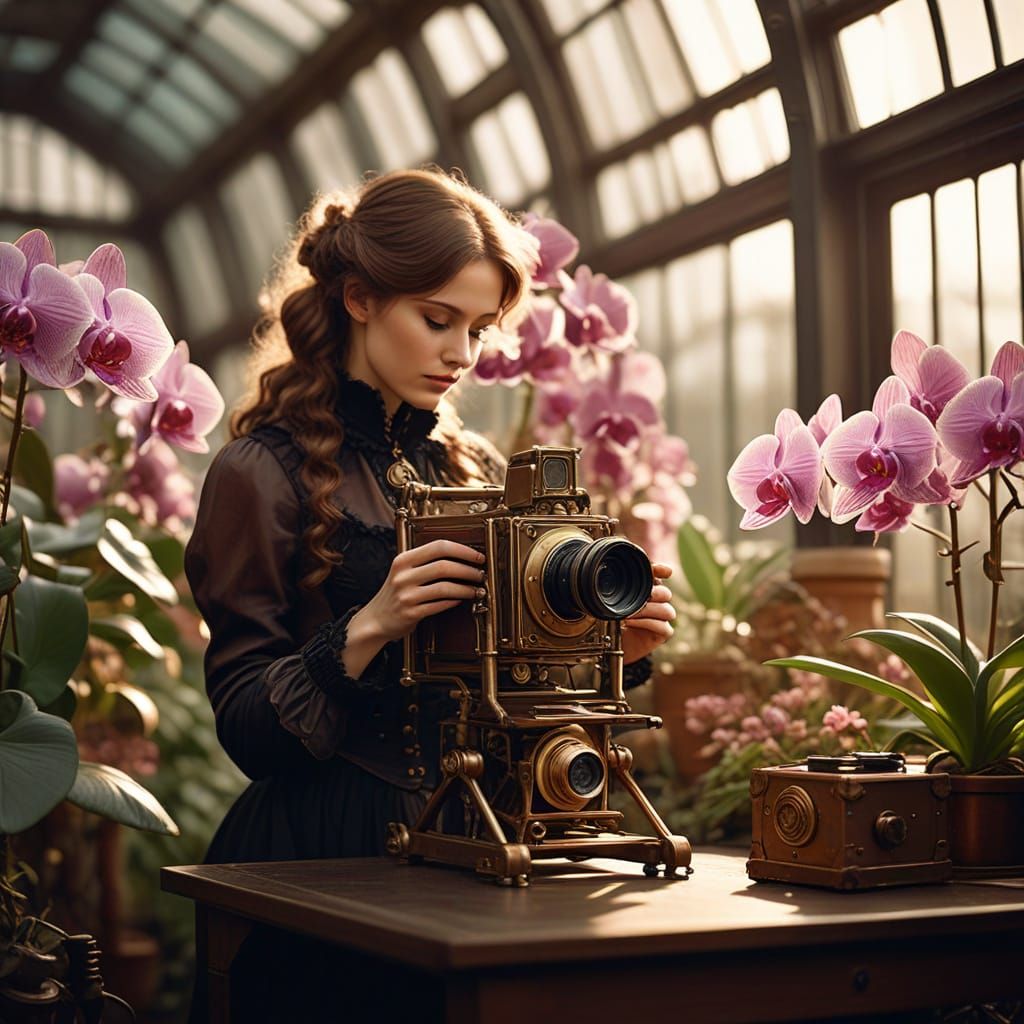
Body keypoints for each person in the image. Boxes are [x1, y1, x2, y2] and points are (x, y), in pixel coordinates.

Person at [183, 167, 677, 1020]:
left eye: (480, 330)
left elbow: (505, 699)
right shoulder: (257, 474)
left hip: (481, 846)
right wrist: (365, 629)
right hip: (319, 862)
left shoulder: (475, 469)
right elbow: (246, 730)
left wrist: (609, 653)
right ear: (359, 298)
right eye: (438, 319)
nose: (462, 355)